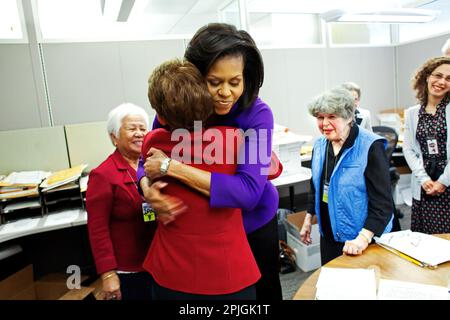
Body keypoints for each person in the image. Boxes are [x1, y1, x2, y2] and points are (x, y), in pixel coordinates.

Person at [138, 23, 282, 300]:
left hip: (251, 227)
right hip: (199, 232)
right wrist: (146, 187)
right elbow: (148, 158)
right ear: (195, 76)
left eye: (235, 82)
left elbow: (248, 192)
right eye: (214, 82)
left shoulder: (257, 115)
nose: (225, 92)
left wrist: (173, 167)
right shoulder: (181, 107)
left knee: (262, 295)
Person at [299, 87, 393, 265]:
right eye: (320, 117)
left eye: (332, 117)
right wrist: (308, 219)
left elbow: (383, 205)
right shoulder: (319, 145)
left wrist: (363, 238)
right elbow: (316, 186)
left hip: (361, 239)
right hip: (328, 234)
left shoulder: (370, 147)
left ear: (349, 117)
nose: (325, 123)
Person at [86, 103, 156, 300]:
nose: (139, 134)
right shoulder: (103, 175)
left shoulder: (151, 166)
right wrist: (108, 274)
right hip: (128, 271)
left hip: (156, 264)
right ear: (114, 137)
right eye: (132, 128)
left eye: (143, 128)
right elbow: (97, 230)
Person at [403, 56, 450, 234]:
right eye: (437, 75)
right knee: (424, 242)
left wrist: (443, 182)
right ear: (427, 77)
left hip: (447, 184)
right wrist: (424, 179)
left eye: (448, 79)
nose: (441, 82)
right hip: (425, 187)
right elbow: (408, 149)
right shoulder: (412, 113)